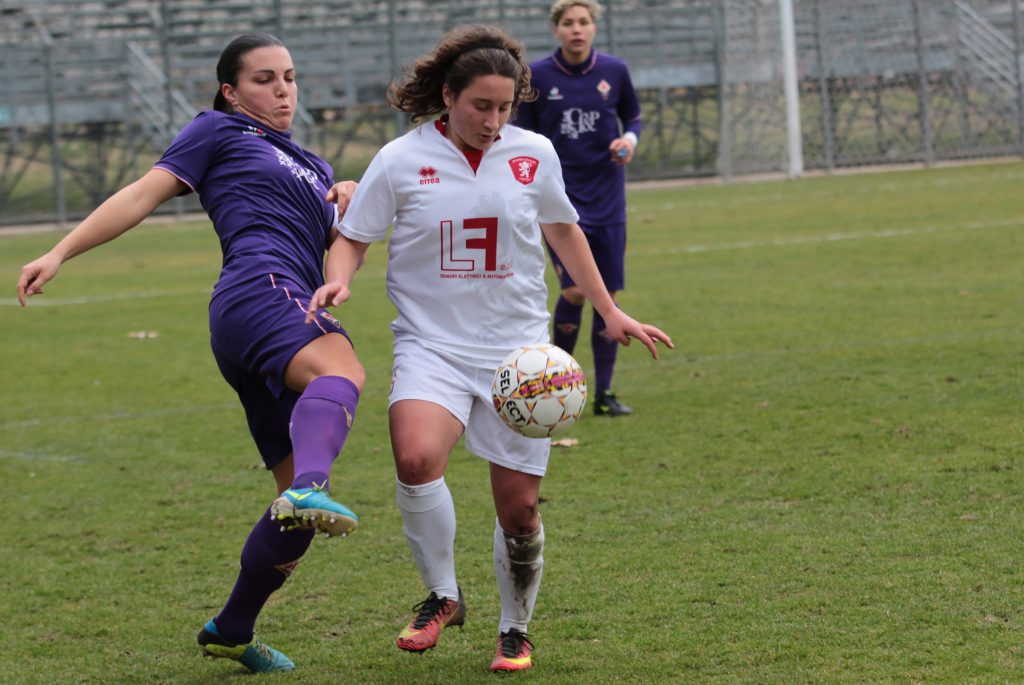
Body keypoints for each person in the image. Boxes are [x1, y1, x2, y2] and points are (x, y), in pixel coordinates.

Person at [302, 24, 673, 673]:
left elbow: (564, 230)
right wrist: (339, 276)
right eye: (481, 106)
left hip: (520, 355)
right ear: (448, 96)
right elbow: (354, 234)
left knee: (520, 507)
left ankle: (514, 626)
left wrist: (609, 311)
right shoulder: (400, 158)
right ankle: (442, 594)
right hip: (431, 344)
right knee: (416, 456)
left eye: (504, 107)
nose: (494, 121)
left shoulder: (533, 152)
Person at [16, 33, 366, 674]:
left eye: (289, 76)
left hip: (267, 310)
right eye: (265, 78)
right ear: (232, 90)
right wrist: (59, 251)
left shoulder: (311, 163)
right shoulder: (217, 130)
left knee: (292, 516)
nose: (283, 89)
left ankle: (231, 628)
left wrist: (343, 200)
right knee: (342, 366)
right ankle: (313, 488)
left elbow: (343, 244)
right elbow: (140, 195)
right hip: (260, 291)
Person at [514, 0, 643, 417]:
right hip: (559, 198)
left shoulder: (615, 71)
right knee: (574, 290)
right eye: (568, 23)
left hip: (608, 196)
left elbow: (634, 118)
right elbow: (521, 132)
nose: (576, 29)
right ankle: (556, 385)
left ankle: (604, 393)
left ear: (593, 28)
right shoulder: (538, 76)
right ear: (556, 30)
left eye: (583, 22)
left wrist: (629, 142)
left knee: (609, 294)